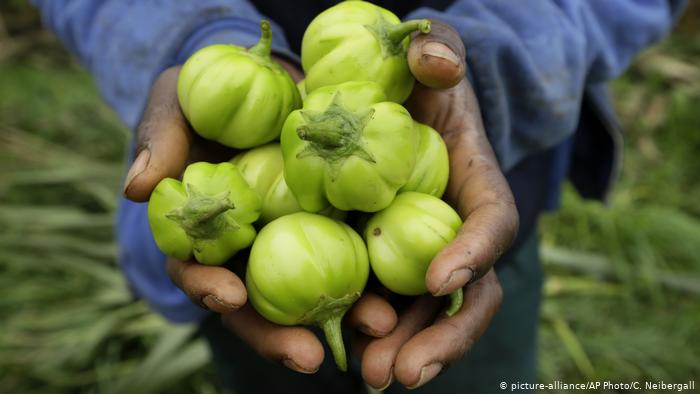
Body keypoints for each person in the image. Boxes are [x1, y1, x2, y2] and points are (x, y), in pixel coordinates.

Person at [34, 1, 686, 392]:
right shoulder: (271, 159)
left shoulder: (356, 142)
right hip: (242, 280)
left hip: (484, 203)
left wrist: (490, 72)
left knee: (479, 360)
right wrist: (188, 36)